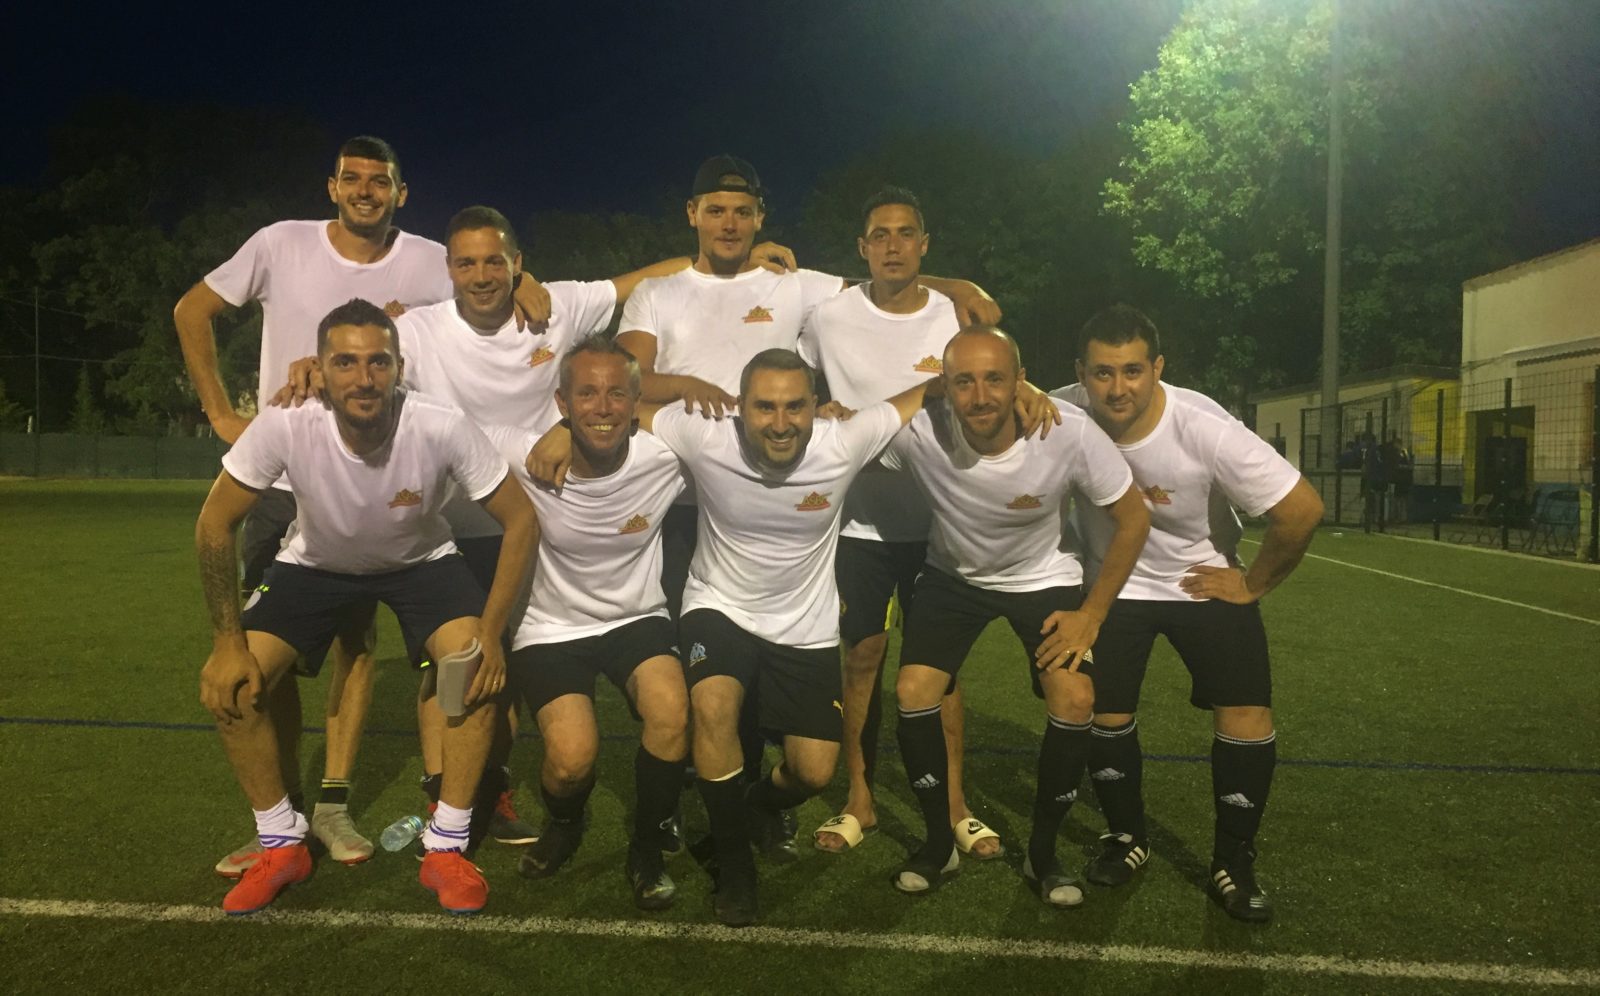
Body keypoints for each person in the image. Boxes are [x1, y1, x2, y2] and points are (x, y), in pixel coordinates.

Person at [531, 155, 1003, 851]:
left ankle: (755, 799)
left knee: (766, 657)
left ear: (760, 218)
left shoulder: (795, 285)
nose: (729, 223)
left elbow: (882, 279)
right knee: (703, 672)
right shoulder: (659, 293)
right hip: (681, 500)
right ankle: (682, 798)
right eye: (716, 210)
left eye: (742, 212)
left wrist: (955, 285)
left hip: (780, 493)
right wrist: (672, 388)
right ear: (692, 214)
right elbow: (630, 379)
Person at [174, 136, 549, 875]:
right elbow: (194, 310)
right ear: (333, 186)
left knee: (373, 651)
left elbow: (482, 272)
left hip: (403, 512)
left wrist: (525, 276)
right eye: (353, 178)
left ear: (401, 193)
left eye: (381, 181)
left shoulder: (428, 262)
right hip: (296, 490)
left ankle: (350, 807)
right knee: (253, 672)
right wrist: (220, 413)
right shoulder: (281, 245)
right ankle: (280, 823)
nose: (366, 190)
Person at [194, 299, 536, 916]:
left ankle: (446, 848)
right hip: (315, 566)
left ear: (399, 367)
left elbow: (520, 520)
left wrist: (490, 632)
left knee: (471, 673)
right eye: (345, 363)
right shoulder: (286, 422)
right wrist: (226, 640)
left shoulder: (440, 424)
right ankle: (281, 843)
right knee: (235, 687)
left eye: (378, 361)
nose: (364, 377)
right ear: (320, 369)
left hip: (421, 563)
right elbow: (214, 522)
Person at [627, 347, 936, 926]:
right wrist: (566, 430)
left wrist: (1018, 389)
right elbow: (619, 409)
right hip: (718, 605)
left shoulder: (843, 441)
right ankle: (735, 867)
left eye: (795, 406)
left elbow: (925, 394)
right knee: (712, 706)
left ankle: (748, 807)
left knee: (813, 772)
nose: (780, 422)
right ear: (739, 407)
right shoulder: (705, 434)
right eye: (764, 407)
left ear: (816, 406)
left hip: (805, 626)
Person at [1053, 304, 1323, 923]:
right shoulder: (1060, 408)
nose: (1117, 388)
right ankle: (1127, 837)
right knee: (1105, 711)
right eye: (1102, 373)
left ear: (1158, 368)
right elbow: (989, 397)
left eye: (1132, 371)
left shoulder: (1204, 427)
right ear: (1080, 374)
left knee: (1246, 713)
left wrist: (1251, 585)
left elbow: (1302, 510)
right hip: (1114, 587)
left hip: (1200, 583)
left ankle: (1235, 859)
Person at [880, 327, 1149, 906]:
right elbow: (845, 435)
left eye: (995, 379)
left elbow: (1134, 518)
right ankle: (938, 844)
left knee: (1075, 698)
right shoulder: (919, 431)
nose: (980, 397)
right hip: (953, 578)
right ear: (943, 386)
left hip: (1043, 579)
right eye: (964, 382)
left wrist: (1092, 614)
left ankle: (1043, 855)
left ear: (1020, 380)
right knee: (912, 691)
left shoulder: (1068, 432)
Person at [798, 186, 1012, 859]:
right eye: (880, 235)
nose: (893, 246)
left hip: (941, 526)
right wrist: (816, 409)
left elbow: (996, 372)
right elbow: (794, 384)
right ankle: (859, 799)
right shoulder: (828, 318)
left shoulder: (957, 314)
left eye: (905, 233)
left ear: (925, 244)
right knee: (861, 658)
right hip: (858, 525)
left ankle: (955, 805)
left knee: (938, 671)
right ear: (862, 248)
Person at [483, 337, 691, 911]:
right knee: (572, 761)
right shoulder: (521, 452)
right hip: (551, 625)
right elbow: (440, 425)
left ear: (637, 403)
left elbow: (744, 426)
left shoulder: (665, 456)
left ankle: (646, 847)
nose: (603, 407)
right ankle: (566, 822)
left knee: (672, 712)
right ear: (562, 403)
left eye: (617, 394)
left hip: (636, 617)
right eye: (587, 394)